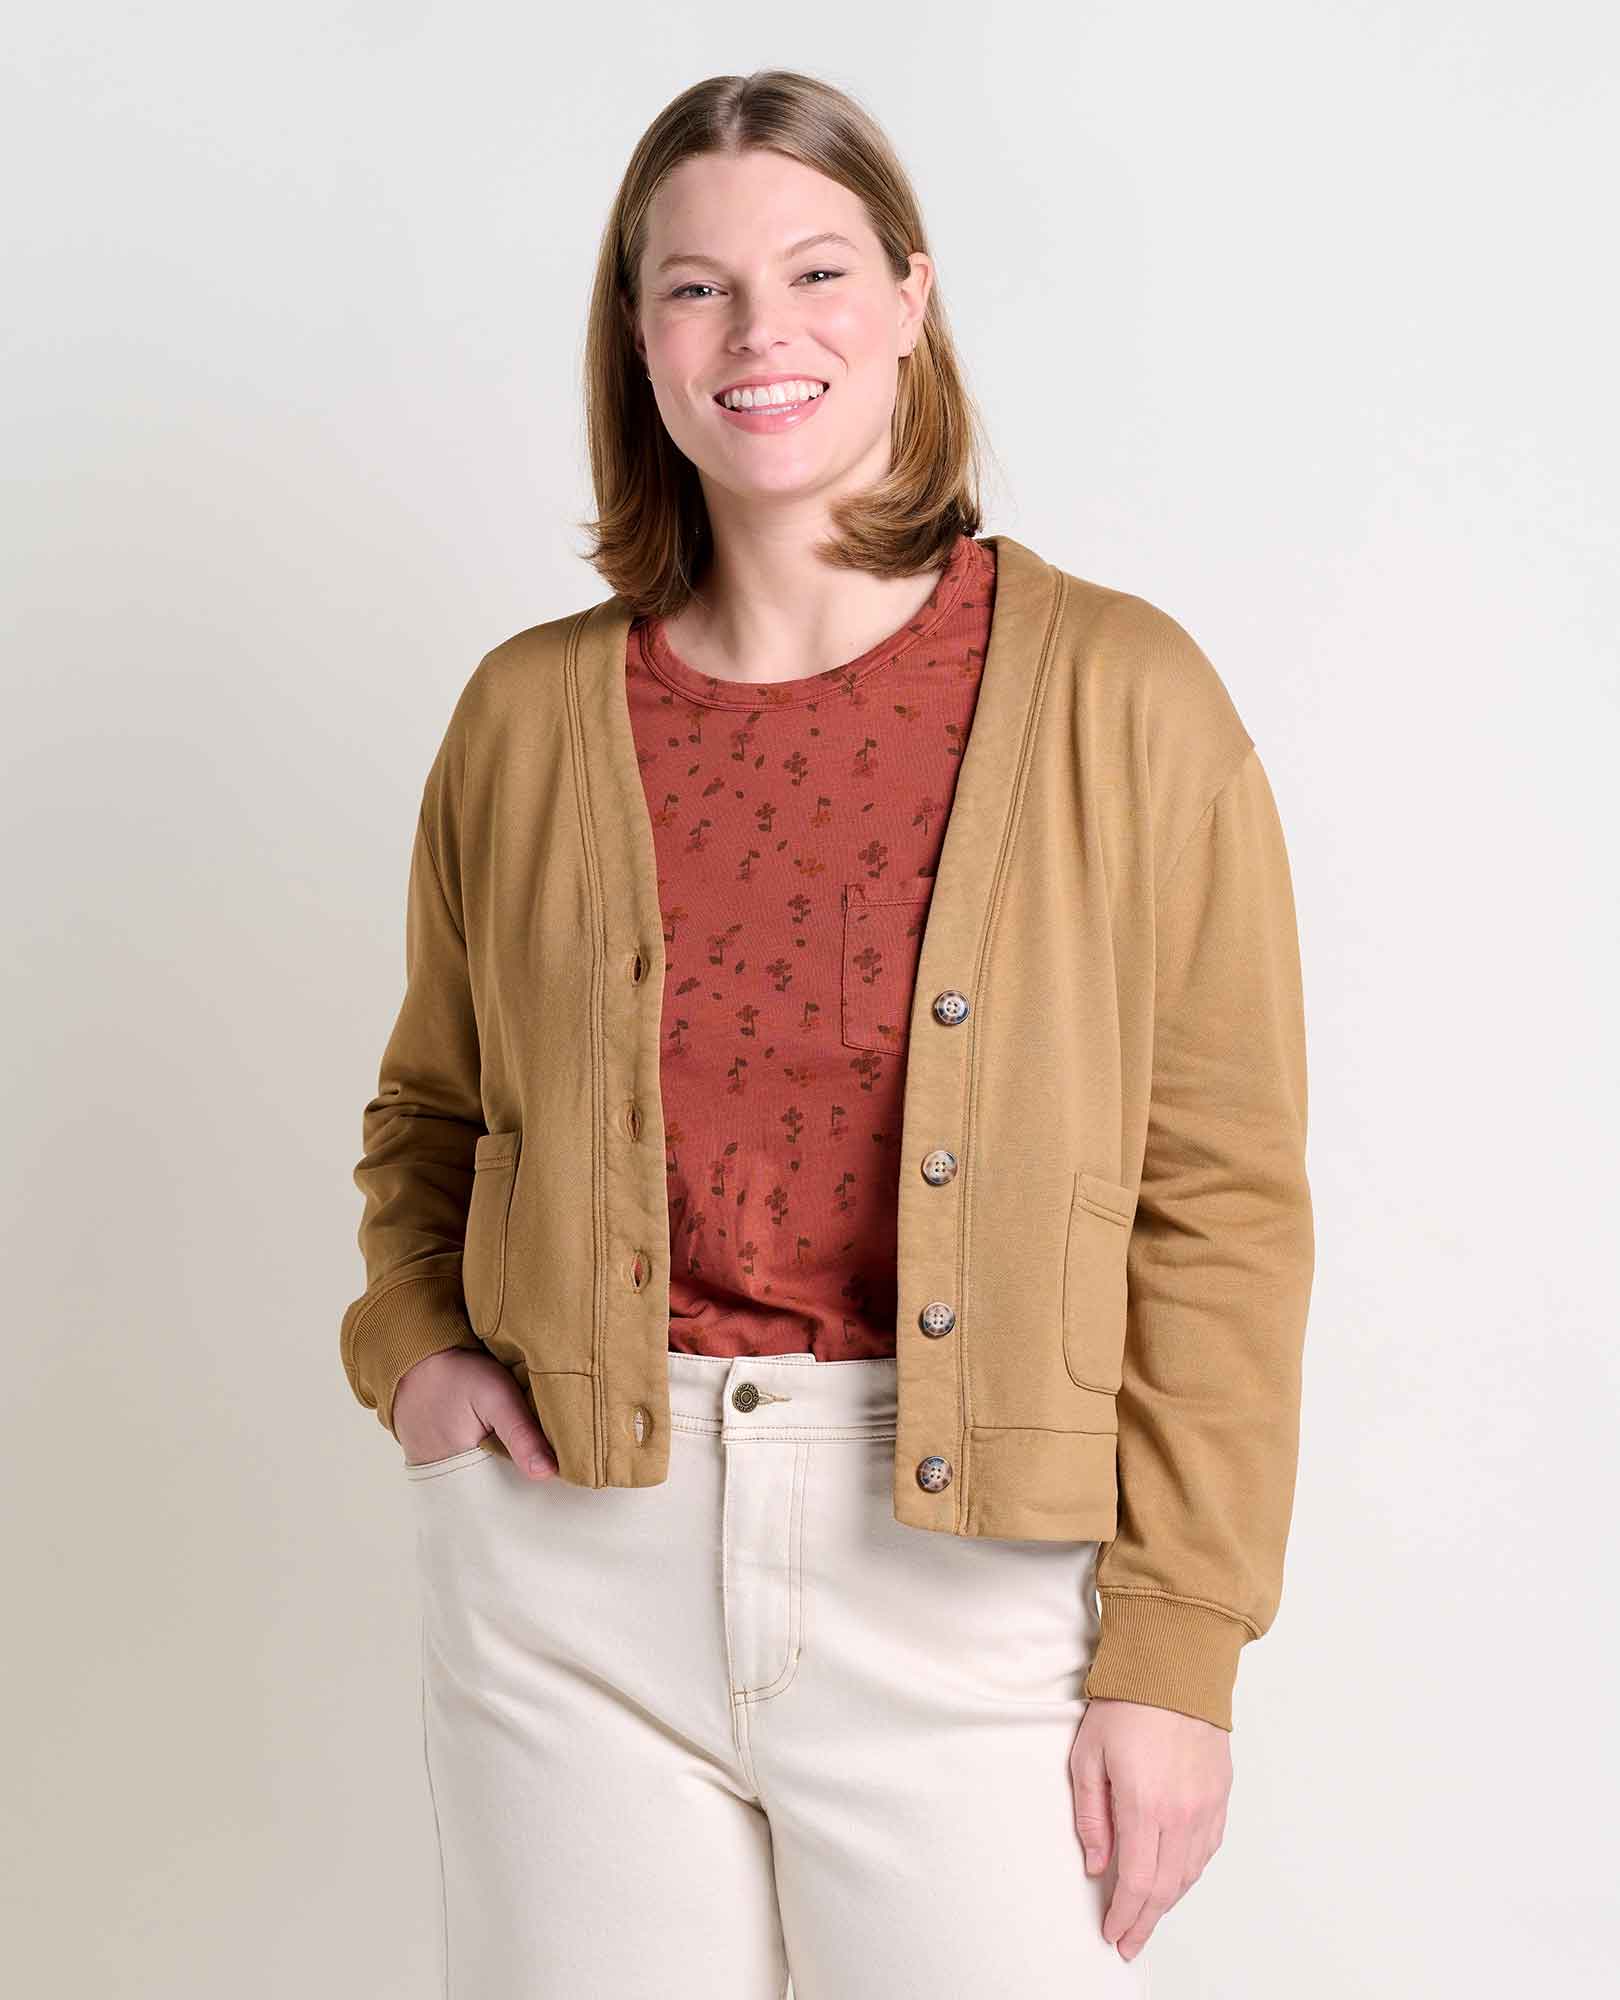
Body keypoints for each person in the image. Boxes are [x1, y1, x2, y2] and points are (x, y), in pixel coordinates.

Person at [339, 69, 1314, 2000]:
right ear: (639, 338)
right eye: (696, 287)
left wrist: (1178, 1649)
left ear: (911, 300)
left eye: (815, 272)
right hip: (568, 1567)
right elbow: (430, 1119)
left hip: (966, 1582)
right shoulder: (525, 718)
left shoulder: (1124, 698)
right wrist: (417, 1354)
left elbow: (1220, 1204)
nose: (757, 332)